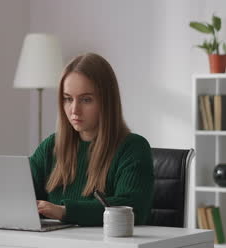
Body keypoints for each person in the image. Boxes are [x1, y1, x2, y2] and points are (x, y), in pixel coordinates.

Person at [30, 53, 154, 226]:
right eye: (68, 99)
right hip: (53, 247)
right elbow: (21, 195)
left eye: (86, 100)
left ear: (106, 101)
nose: (74, 110)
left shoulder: (133, 148)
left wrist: (65, 211)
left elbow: (132, 208)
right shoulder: (50, 146)